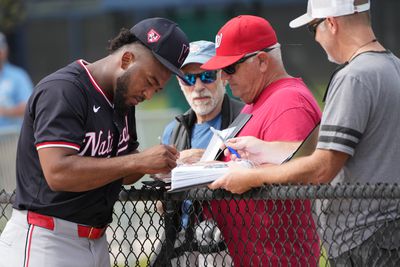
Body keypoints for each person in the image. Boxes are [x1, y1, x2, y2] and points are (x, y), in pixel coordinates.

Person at [210, 1, 400, 266]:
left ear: (331, 23)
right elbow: (346, 152)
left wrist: (252, 176)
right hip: (384, 233)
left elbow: (322, 168)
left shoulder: (354, 77)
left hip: (367, 240)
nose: (317, 38)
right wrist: (267, 149)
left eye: (313, 28)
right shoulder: (393, 67)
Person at [0, 17, 190, 267]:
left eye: (157, 89)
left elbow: (122, 170)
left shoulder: (123, 100)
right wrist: (138, 161)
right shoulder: (64, 90)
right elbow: (58, 173)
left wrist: (157, 165)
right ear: (126, 60)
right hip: (47, 240)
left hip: (96, 242)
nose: (148, 94)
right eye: (150, 82)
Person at [201, 15, 322, 266]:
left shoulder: (289, 102)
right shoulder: (256, 100)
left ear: (262, 61)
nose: (223, 77)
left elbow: (299, 176)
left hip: (279, 258)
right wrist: (200, 160)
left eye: (230, 68)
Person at [158, 40, 243, 266]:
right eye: (188, 78)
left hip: (229, 240)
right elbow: (160, 201)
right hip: (182, 239)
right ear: (179, 82)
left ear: (223, 77)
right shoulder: (173, 130)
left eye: (206, 76)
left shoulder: (244, 118)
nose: (197, 86)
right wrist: (175, 165)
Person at [0, 32, 33, 130]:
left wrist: (4, 112)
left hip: (11, 138)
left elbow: (29, 107)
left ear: (5, 51)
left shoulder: (18, 76)